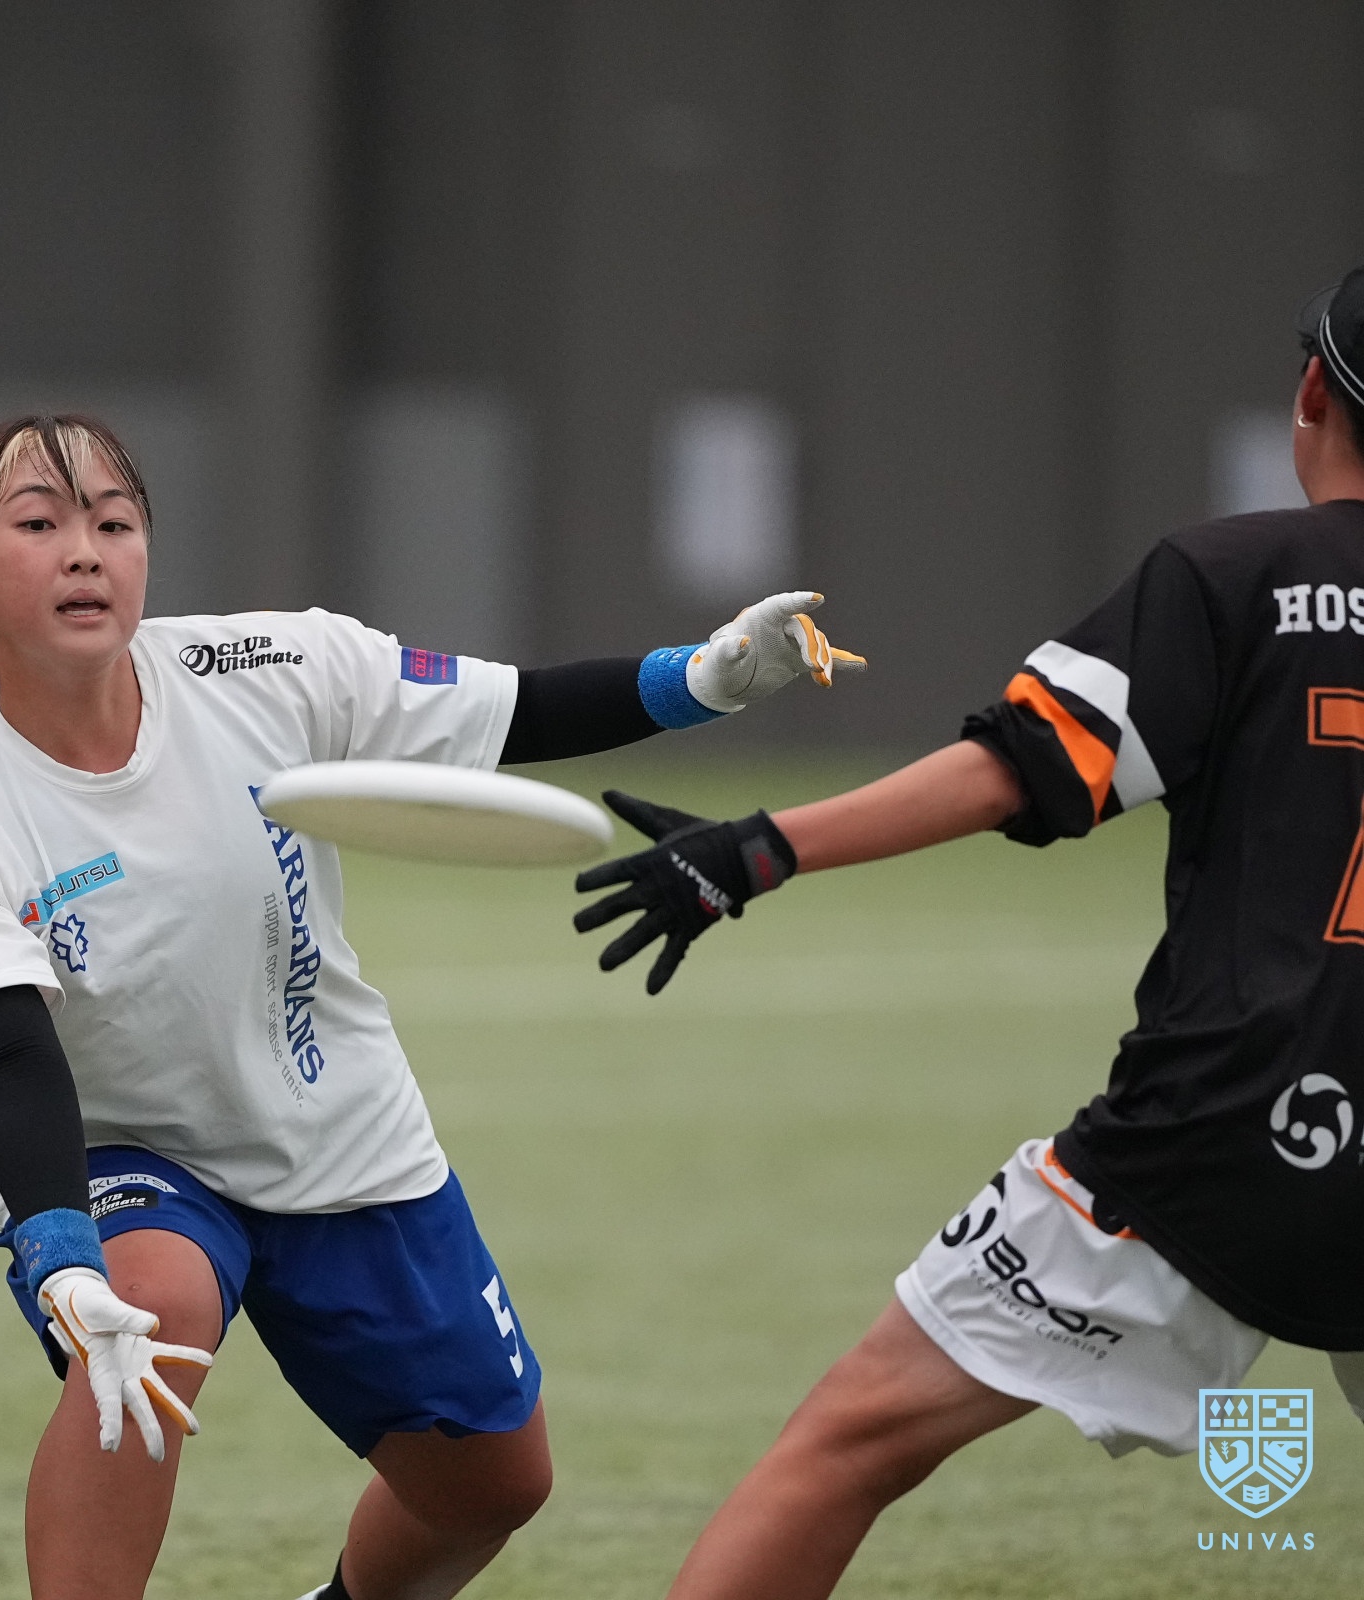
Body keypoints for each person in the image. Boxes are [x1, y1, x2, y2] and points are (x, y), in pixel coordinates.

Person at [0, 413, 861, 1600]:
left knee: (493, 1483)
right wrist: (64, 1258)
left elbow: (513, 710)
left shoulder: (269, 664)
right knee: (148, 1310)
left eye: (114, 523)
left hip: (338, 1126)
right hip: (127, 1152)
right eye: (39, 524)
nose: (85, 550)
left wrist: (705, 680)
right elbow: (12, 1059)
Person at [572, 271, 1364, 1600]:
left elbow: (1024, 769)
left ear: (1308, 392)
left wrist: (754, 850)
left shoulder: (1232, 578)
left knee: (847, 1442)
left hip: (1225, 1129)